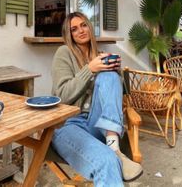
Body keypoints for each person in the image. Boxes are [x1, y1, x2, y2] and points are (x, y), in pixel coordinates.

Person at [51, 12, 143, 187]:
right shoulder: (64, 53)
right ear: (69, 34)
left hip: (99, 124)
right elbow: (61, 96)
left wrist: (116, 72)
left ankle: (113, 145)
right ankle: (113, 153)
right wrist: (89, 70)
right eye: (74, 29)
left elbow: (116, 96)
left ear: (90, 27)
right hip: (69, 125)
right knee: (107, 161)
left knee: (109, 77)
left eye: (84, 25)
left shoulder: (101, 55)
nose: (80, 31)